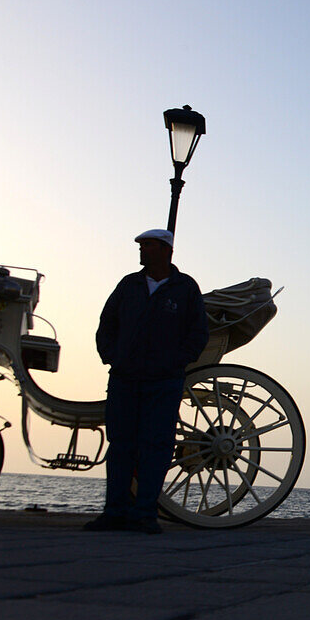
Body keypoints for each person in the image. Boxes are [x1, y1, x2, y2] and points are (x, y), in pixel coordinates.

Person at [85, 229, 208, 534]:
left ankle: (144, 513)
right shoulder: (129, 285)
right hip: (125, 377)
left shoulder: (185, 288)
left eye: (147, 246)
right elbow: (107, 324)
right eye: (141, 246)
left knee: (155, 446)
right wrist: (112, 356)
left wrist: (176, 361)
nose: (141, 251)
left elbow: (198, 333)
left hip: (163, 381)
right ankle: (114, 512)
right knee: (120, 446)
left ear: (166, 250)